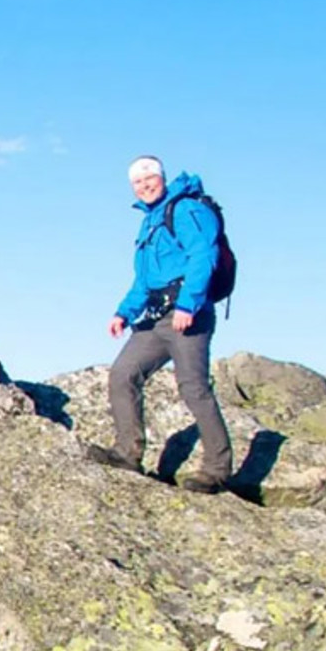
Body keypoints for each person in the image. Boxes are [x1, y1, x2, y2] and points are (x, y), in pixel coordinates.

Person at [87, 154, 233, 494]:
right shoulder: (150, 220)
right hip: (155, 317)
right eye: (137, 182)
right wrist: (123, 313)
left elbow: (204, 255)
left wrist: (189, 304)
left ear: (162, 177)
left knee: (193, 389)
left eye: (149, 178)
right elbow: (145, 280)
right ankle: (127, 453)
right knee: (123, 374)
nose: (144, 185)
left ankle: (217, 471)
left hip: (187, 315)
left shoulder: (185, 209)